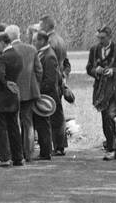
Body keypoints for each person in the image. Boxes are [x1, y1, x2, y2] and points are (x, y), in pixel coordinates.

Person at [86, 25, 116, 160]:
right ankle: (112, 146)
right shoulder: (94, 50)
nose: (100, 40)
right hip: (101, 91)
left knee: (110, 116)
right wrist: (96, 71)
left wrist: (113, 71)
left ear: (110, 37)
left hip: (115, 89)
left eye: (103, 38)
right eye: (98, 38)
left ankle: (112, 148)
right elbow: (89, 68)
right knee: (105, 119)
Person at [0, 32, 24, 167]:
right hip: (13, 97)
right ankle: (18, 157)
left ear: (2, 42)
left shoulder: (2, 57)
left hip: (0, 99)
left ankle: (4, 158)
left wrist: (4, 82)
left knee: (0, 129)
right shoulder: (18, 56)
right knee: (14, 129)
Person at [7, 25, 42, 162]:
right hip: (29, 91)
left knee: (14, 122)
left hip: (12, 91)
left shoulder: (8, 51)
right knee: (28, 123)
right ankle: (28, 153)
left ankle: (16, 153)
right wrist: (35, 86)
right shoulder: (31, 49)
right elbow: (39, 70)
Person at [38, 16, 71, 154]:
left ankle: (58, 146)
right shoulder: (60, 39)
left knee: (54, 115)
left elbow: (52, 63)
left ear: (46, 26)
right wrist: (64, 78)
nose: (39, 28)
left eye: (40, 25)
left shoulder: (50, 41)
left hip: (53, 81)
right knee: (57, 114)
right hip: (59, 80)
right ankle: (59, 145)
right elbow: (66, 63)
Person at [32, 30, 64, 161]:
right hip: (43, 94)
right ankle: (45, 149)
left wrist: (38, 93)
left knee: (44, 124)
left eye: (35, 41)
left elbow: (50, 80)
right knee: (42, 124)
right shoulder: (42, 53)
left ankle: (46, 152)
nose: (33, 43)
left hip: (47, 96)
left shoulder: (49, 55)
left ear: (42, 41)